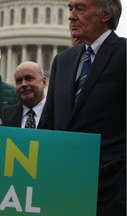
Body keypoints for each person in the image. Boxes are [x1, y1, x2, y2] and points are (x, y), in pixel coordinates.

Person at [39, 0, 126, 215]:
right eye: (70, 8)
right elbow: (48, 123)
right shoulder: (63, 60)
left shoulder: (124, 54)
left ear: (105, 14)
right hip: (62, 185)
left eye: (80, 8)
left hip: (111, 188)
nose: (70, 16)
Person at [4, 61, 46, 128]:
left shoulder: (59, 114)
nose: (23, 84)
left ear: (44, 82)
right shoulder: (5, 115)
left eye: (29, 78)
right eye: (19, 81)